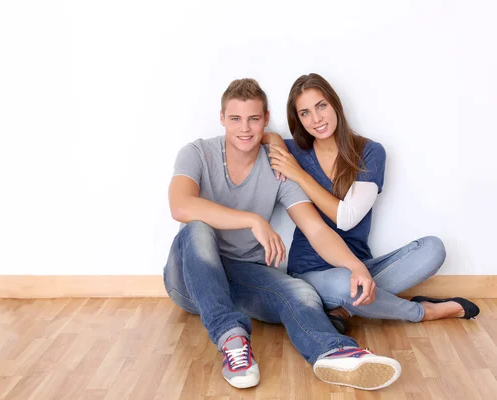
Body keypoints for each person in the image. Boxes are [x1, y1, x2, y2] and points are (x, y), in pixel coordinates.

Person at [164, 78, 402, 391]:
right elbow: (180, 206)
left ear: (265, 120)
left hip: (244, 278)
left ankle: (335, 352)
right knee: (197, 228)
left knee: (302, 293)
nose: (245, 128)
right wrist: (252, 220)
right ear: (222, 119)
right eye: (235, 119)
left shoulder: (278, 166)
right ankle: (233, 341)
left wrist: (356, 266)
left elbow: (315, 228)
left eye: (253, 119)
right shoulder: (197, 153)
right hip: (191, 279)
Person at [263, 73, 479, 334]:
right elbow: (259, 136)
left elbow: (347, 217)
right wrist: (275, 139)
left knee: (433, 249)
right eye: (305, 113)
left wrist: (299, 175)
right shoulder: (296, 151)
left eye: (321, 106)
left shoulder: (369, 152)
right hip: (311, 270)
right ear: (298, 120)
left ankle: (344, 307)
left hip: (361, 266)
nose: (316, 119)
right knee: (345, 285)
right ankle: (422, 312)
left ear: (335, 104)